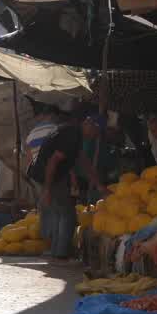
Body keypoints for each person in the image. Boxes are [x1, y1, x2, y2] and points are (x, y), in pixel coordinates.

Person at [36, 111, 106, 260]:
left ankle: (56, 251)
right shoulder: (73, 135)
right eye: (96, 132)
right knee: (67, 214)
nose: (94, 136)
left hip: (53, 176)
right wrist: (47, 189)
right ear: (89, 124)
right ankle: (60, 253)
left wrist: (99, 184)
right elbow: (53, 161)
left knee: (59, 213)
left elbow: (82, 159)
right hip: (51, 176)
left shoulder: (74, 132)